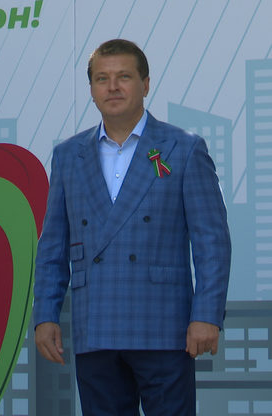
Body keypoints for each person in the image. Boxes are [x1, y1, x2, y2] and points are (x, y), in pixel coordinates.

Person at [33, 39, 231, 415]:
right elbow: (53, 247)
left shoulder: (183, 149)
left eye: (124, 76)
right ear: (91, 89)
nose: (113, 87)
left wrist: (206, 314)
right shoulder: (68, 155)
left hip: (164, 326)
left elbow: (212, 241)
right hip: (96, 325)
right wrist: (45, 315)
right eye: (102, 78)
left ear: (146, 84)